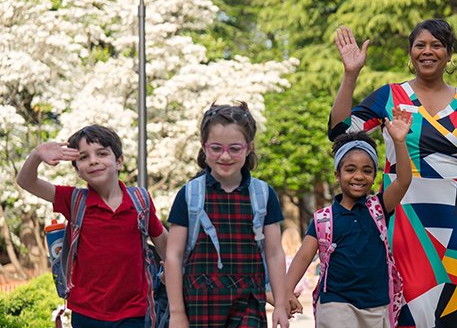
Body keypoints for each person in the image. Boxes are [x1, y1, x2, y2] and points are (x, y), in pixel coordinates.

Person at [327, 19, 457, 328]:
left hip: (456, 221)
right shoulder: (390, 96)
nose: (428, 51)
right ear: (410, 53)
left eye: (437, 45)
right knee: (406, 306)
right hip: (403, 217)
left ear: (449, 54)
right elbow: (341, 131)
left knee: (455, 311)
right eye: (420, 45)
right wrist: (350, 74)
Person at [16, 125, 168, 328]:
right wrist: (36, 155)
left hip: (133, 311)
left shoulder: (140, 201)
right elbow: (26, 181)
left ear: (119, 161)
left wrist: (173, 269)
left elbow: (165, 245)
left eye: (102, 153)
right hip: (86, 313)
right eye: (83, 157)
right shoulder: (73, 200)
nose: (93, 160)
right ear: (78, 171)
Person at [285, 107, 414, 328]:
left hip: (377, 304)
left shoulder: (379, 207)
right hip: (336, 304)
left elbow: (403, 181)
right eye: (350, 169)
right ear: (337, 174)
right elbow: (303, 257)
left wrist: (399, 142)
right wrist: (287, 291)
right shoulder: (323, 219)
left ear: (374, 176)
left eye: (367, 170)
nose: (358, 176)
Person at [163, 103, 289, 328]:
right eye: (216, 148)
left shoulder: (262, 195)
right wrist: (177, 313)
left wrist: (280, 304)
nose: (225, 156)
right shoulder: (190, 194)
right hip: (199, 302)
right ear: (204, 147)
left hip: (249, 301)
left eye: (234, 148)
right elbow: (173, 255)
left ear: (248, 148)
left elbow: (274, 253)